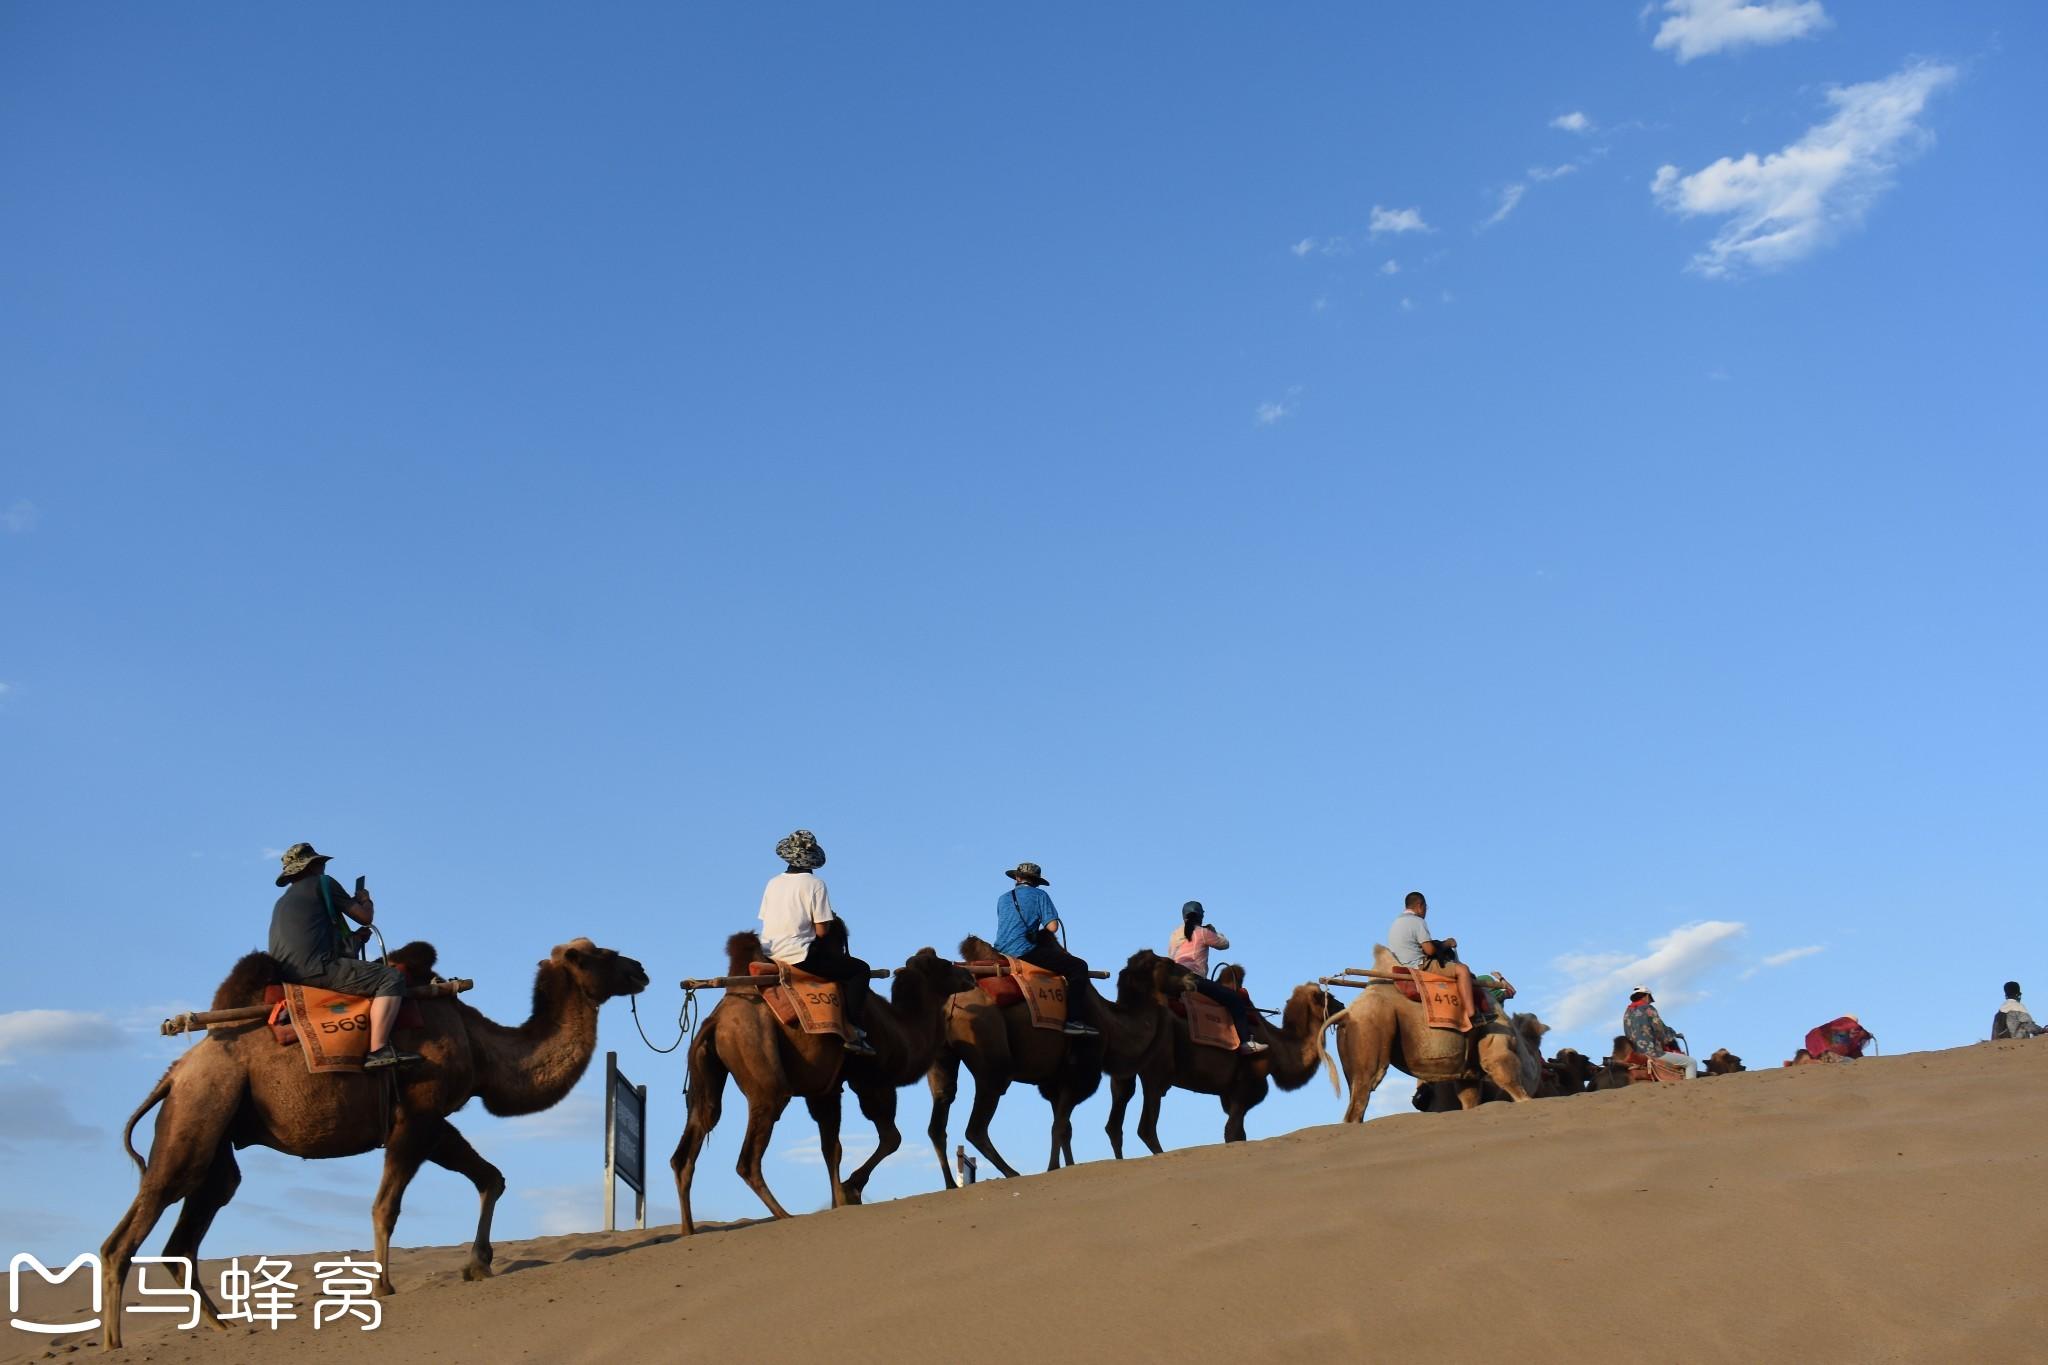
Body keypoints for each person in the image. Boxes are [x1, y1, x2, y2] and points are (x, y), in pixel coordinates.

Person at [268, 842, 419, 1069]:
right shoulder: (323, 884)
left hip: (287, 974)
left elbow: (314, 942)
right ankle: (378, 1049)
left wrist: (356, 939)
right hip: (316, 969)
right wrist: (365, 899)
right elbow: (365, 917)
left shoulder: (283, 902)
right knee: (390, 978)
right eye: (319, 864)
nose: (323, 869)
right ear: (311, 867)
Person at [757, 830, 876, 1055]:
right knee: (860, 970)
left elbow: (768, 919)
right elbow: (822, 931)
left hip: (769, 952)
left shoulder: (772, 883)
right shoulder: (815, 884)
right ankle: (853, 1030)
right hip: (799, 955)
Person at [992, 861, 1099, 1036]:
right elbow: (1053, 927)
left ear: (1017, 878)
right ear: (1036, 881)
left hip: (1000, 950)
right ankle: (1073, 1021)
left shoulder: (1003, 898)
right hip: (1024, 950)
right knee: (1079, 967)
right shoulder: (1040, 895)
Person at [1167, 901, 1265, 1054]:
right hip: (1194, 980)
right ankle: (1245, 1042)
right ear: (1200, 916)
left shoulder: (1174, 934)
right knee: (1235, 1000)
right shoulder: (1202, 932)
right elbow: (1224, 944)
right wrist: (1213, 931)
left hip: (1175, 979)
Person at [1386, 891, 1497, 1024]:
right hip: (1420, 965)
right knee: (1463, 970)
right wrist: (1447, 943)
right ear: (1420, 905)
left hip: (1401, 965)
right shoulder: (1417, 921)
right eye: (1426, 908)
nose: (1426, 912)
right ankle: (1473, 1015)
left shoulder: (1395, 923)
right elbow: (1430, 950)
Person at [1621, 986, 1681, 1058]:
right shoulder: (1648, 1008)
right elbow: (1660, 1030)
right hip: (1652, 1053)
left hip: (1635, 1054)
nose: (1649, 1001)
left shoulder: (1627, 1012)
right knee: (1691, 1063)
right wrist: (1673, 1034)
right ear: (1646, 996)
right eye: (1650, 998)